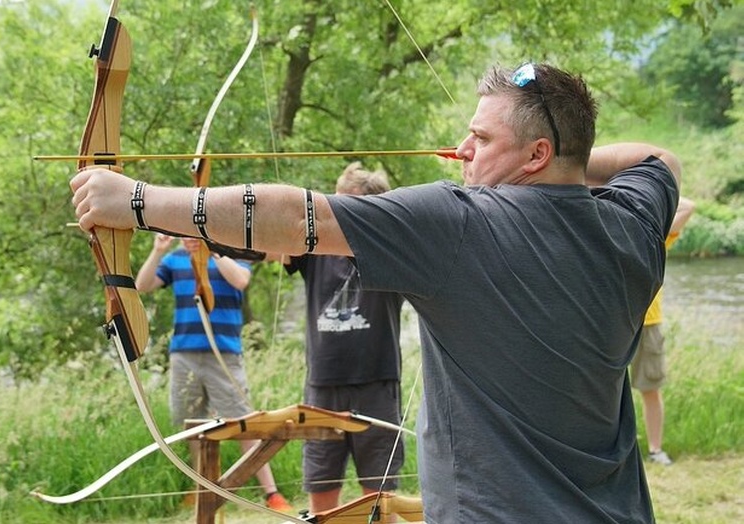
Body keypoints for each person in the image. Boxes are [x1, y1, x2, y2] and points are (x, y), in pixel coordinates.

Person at [71, 62, 681, 522]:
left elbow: (297, 218)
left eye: (482, 140)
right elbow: (661, 159)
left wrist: (137, 203)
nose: (463, 151)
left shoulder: (461, 222)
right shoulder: (633, 224)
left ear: (535, 154)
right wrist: (559, 164)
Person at [274, 162, 406, 515]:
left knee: (378, 503)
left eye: (347, 204)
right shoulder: (314, 249)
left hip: (377, 385)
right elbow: (276, 234)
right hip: (324, 387)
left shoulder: (391, 254)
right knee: (321, 498)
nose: (335, 211)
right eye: (334, 202)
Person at [134, 233, 292, 512]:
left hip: (224, 354)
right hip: (185, 354)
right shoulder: (175, 260)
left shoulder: (233, 255)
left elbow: (241, 281)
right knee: (193, 427)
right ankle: (201, 489)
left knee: (244, 425)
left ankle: (272, 493)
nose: (188, 239)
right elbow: (143, 285)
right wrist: (158, 250)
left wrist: (213, 251)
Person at [633, 196, 695, 466]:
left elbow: (688, 206)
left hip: (647, 323)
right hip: (607, 322)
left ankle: (656, 451)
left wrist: (645, 188)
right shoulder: (606, 226)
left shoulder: (654, 236)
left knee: (651, 388)